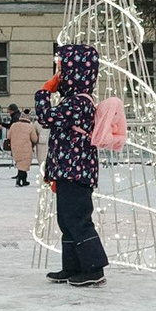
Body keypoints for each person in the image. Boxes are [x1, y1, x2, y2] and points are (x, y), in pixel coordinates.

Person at [33, 45, 108, 287]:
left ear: (75, 72)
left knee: (77, 218)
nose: (59, 76)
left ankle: (94, 268)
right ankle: (73, 266)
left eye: (62, 70)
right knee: (66, 220)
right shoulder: (75, 101)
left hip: (76, 171)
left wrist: (44, 91)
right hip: (69, 170)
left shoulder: (78, 103)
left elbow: (46, 117)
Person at [5, 104, 38, 187]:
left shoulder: (14, 125)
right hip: (26, 148)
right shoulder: (30, 126)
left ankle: (24, 180)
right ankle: (19, 180)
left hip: (15, 148)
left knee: (20, 164)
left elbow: (8, 136)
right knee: (24, 165)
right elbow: (34, 138)